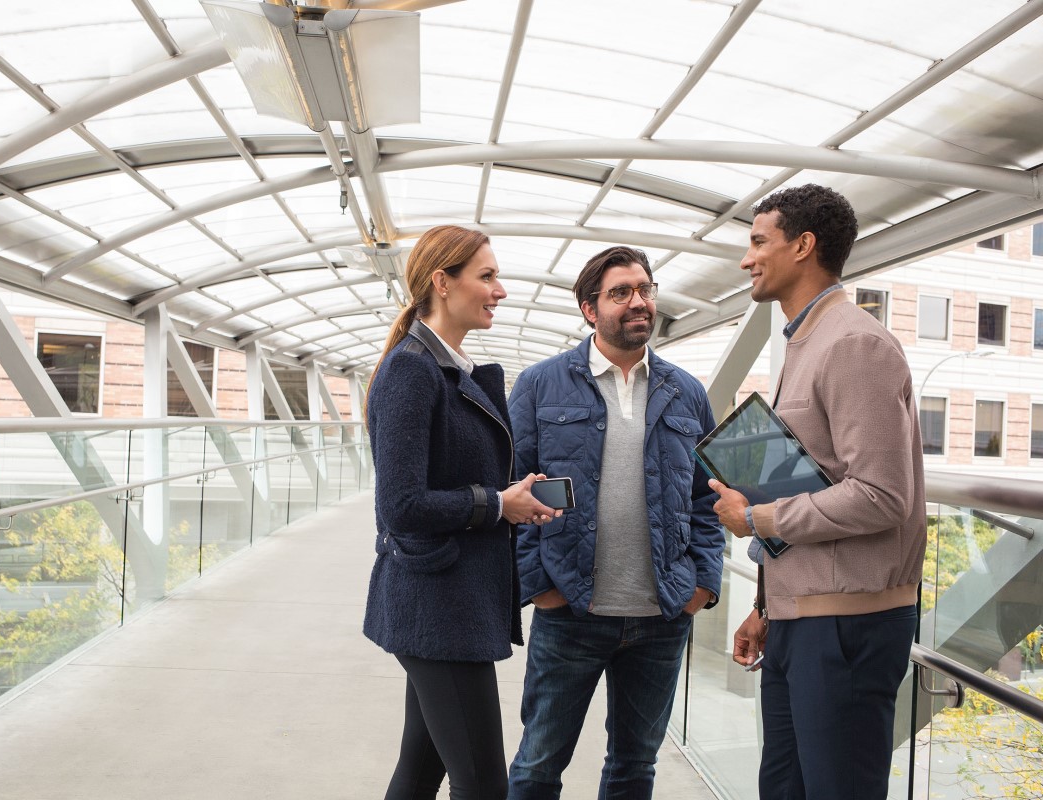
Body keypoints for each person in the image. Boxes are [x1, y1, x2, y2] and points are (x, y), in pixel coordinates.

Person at [710, 184, 926, 800]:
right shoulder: (803, 341)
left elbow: (882, 495)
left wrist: (756, 517)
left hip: (847, 630)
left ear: (803, 246)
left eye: (758, 241)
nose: (747, 259)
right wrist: (766, 608)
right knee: (783, 789)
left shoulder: (854, 343)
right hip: (799, 623)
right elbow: (822, 474)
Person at [505, 245, 725, 799]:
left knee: (634, 768)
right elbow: (513, 491)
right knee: (537, 766)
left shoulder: (686, 392)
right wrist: (542, 587)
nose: (639, 302)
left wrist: (702, 584)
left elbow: (708, 498)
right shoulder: (539, 385)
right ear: (589, 308)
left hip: (662, 615)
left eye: (646, 289)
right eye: (621, 292)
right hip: (572, 609)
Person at [363, 225, 559, 800]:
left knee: (422, 770)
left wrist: (513, 497)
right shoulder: (412, 371)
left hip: (449, 600)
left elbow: (445, 482)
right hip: (437, 606)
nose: (500, 290)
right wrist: (499, 504)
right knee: (482, 784)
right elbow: (400, 505)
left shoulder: (447, 369)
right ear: (443, 283)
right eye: (488, 276)